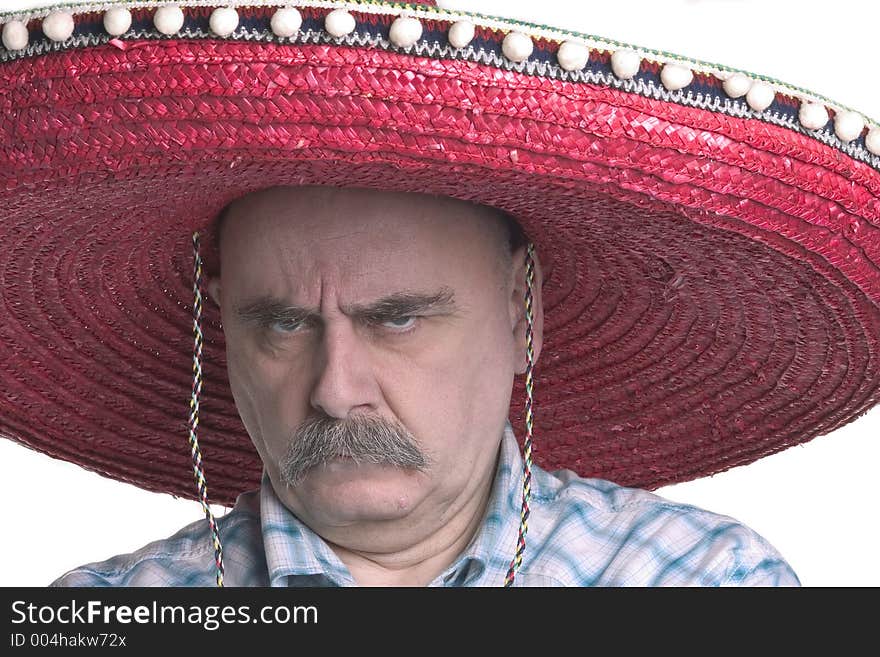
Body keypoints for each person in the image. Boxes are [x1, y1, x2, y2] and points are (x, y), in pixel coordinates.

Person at [1, 0, 876, 586]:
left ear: (521, 310)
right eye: (284, 323)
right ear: (219, 327)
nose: (336, 387)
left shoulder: (696, 580)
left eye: (399, 317)